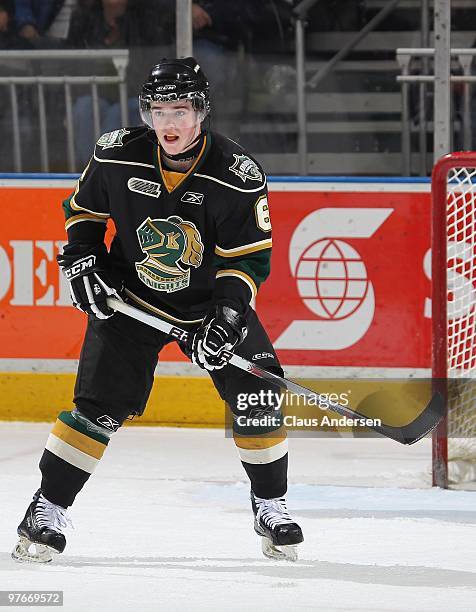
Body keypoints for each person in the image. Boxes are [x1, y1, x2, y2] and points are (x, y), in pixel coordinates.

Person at [12, 57, 304, 563]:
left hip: (208, 305)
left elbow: (247, 259)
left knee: (257, 395)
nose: (169, 123)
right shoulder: (117, 153)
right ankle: (47, 508)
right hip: (131, 301)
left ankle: (270, 505)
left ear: (201, 111)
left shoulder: (237, 174)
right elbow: (84, 210)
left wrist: (228, 318)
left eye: (181, 110)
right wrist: (85, 254)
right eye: (159, 110)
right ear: (146, 112)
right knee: (97, 409)